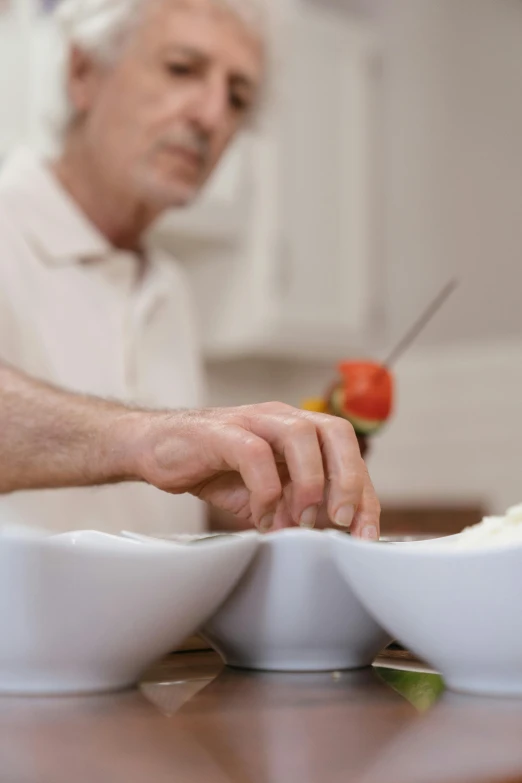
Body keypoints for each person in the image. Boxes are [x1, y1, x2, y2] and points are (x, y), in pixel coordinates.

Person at [0, 0, 372, 535]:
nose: (212, 115)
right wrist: (147, 438)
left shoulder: (171, 290)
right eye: (182, 69)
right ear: (83, 73)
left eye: (237, 96)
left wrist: (273, 488)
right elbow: (146, 447)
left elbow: (151, 516)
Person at [0, 362, 380, 538]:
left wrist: (282, 499)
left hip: (167, 642)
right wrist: (146, 438)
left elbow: (164, 511)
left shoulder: (171, 282)